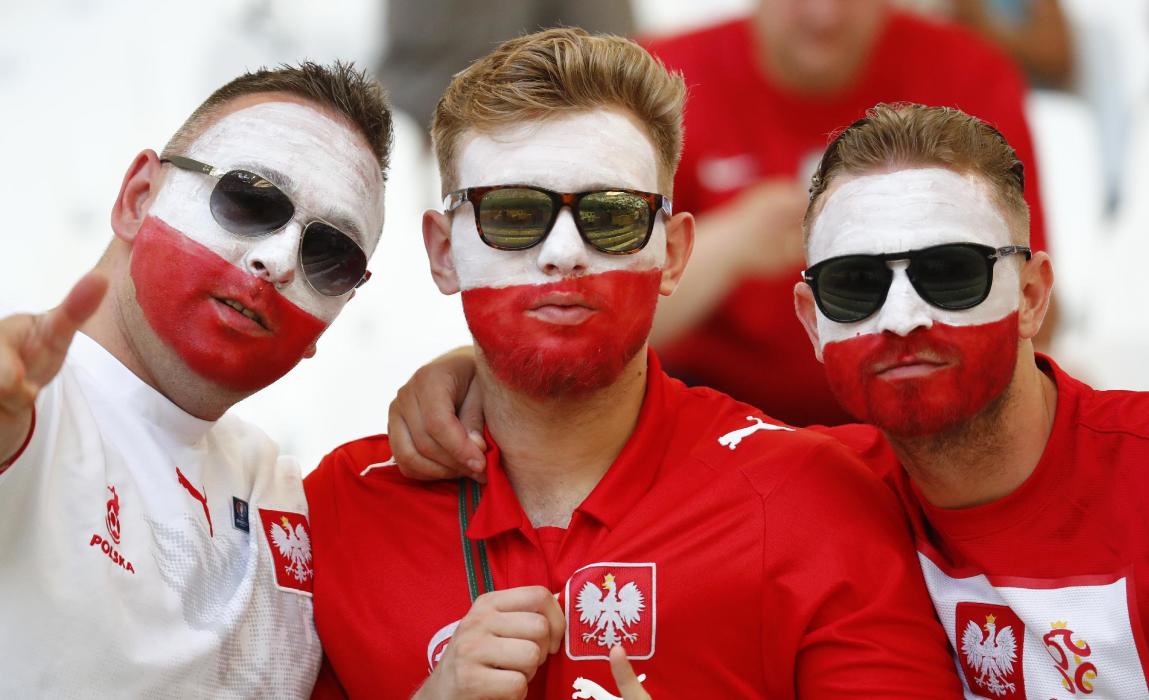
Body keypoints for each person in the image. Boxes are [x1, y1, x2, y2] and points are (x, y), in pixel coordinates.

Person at [397, 103, 1149, 697]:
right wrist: (476, 370)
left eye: (949, 273)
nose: (901, 318)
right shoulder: (821, 487)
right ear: (809, 320)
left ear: (1029, 295)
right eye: (854, 286)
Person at [305, 28, 961, 700]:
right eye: (512, 214)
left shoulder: (813, 498)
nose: (562, 253)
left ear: (673, 253)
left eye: (610, 217)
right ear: (443, 253)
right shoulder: (335, 510)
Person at [0, 62, 392, 697]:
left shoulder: (292, 497)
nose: (279, 260)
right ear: (138, 198)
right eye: (250, 199)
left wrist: (463, 381)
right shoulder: (32, 411)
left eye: (331, 255)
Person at [641, 0, 1049, 427]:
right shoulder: (662, 82)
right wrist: (732, 242)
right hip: (711, 409)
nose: (825, 15)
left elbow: (1030, 299)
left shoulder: (971, 72)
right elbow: (607, 310)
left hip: (925, 406)